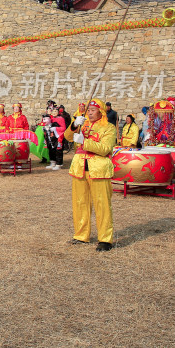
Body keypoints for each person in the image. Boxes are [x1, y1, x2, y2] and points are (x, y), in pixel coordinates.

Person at [64, 98, 116, 252]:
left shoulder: (109, 127)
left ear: (101, 111)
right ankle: (81, 235)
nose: (90, 113)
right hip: (80, 166)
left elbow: (106, 148)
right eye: (88, 110)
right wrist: (74, 125)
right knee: (80, 203)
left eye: (93, 110)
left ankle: (105, 239)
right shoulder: (82, 124)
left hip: (98, 169)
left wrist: (84, 142)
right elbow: (67, 136)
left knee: (102, 205)